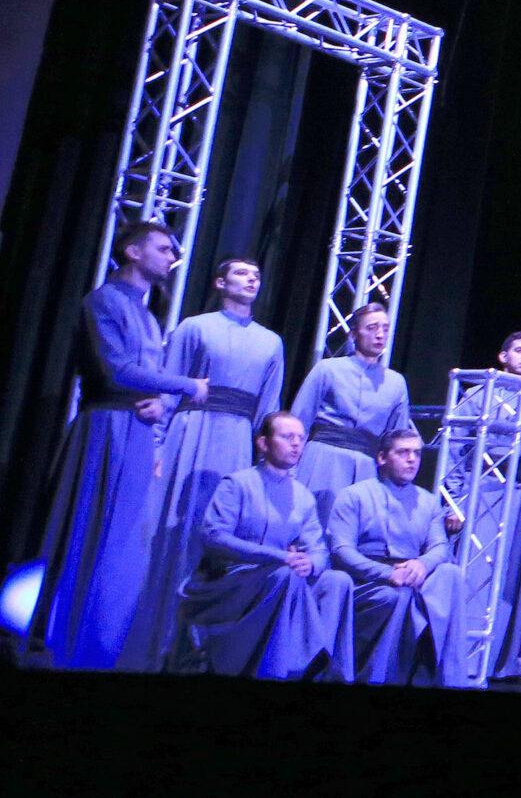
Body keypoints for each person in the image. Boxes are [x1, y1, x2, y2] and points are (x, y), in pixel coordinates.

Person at [26, 219, 203, 669]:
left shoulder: (147, 315)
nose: (171, 257)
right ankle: (62, 643)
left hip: (136, 433)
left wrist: (160, 405)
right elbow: (116, 370)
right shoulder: (104, 301)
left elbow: (146, 379)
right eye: (163, 248)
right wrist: (185, 385)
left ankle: (101, 645)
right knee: (90, 533)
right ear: (133, 252)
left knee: (125, 545)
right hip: (104, 431)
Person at [121, 257, 287, 672]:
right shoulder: (194, 327)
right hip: (191, 436)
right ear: (220, 283)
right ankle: (150, 643)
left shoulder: (271, 342)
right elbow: (168, 389)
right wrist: (157, 447)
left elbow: (268, 411)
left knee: (219, 538)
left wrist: (267, 466)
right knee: (171, 532)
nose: (251, 280)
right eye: (242, 274)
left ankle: (197, 649)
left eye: (257, 276)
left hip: (236, 443)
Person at [169, 413, 354, 679]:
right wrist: (279, 557)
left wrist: (310, 562)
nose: (296, 444)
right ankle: (274, 671)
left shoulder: (303, 496)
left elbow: (319, 551)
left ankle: (327, 674)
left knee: (338, 581)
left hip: (277, 579)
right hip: (229, 580)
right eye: (287, 437)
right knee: (285, 575)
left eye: (300, 438)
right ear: (263, 443)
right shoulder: (237, 484)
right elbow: (214, 537)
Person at [445, 332, 521, 682]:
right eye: (518, 350)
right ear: (503, 356)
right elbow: (456, 450)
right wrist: (454, 501)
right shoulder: (478, 395)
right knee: (473, 573)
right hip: (479, 490)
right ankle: (462, 658)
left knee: (509, 579)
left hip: (518, 493)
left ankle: (502, 661)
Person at [327, 428, 461, 686]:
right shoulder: (354, 495)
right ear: (382, 458)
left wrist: (422, 564)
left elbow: (439, 547)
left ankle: (448, 679)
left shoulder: (428, 501)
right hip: (366, 580)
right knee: (397, 595)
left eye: (417, 454)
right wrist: (388, 574)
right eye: (403, 453)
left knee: (451, 574)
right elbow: (341, 551)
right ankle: (380, 678)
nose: (412, 460)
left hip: (412, 574)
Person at [288, 301, 414, 526]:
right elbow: (299, 421)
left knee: (350, 531)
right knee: (310, 527)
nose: (380, 334)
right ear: (354, 334)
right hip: (323, 459)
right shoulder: (328, 369)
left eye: (385, 328)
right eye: (372, 327)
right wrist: (287, 469)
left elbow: (397, 439)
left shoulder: (396, 383)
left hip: (366, 467)